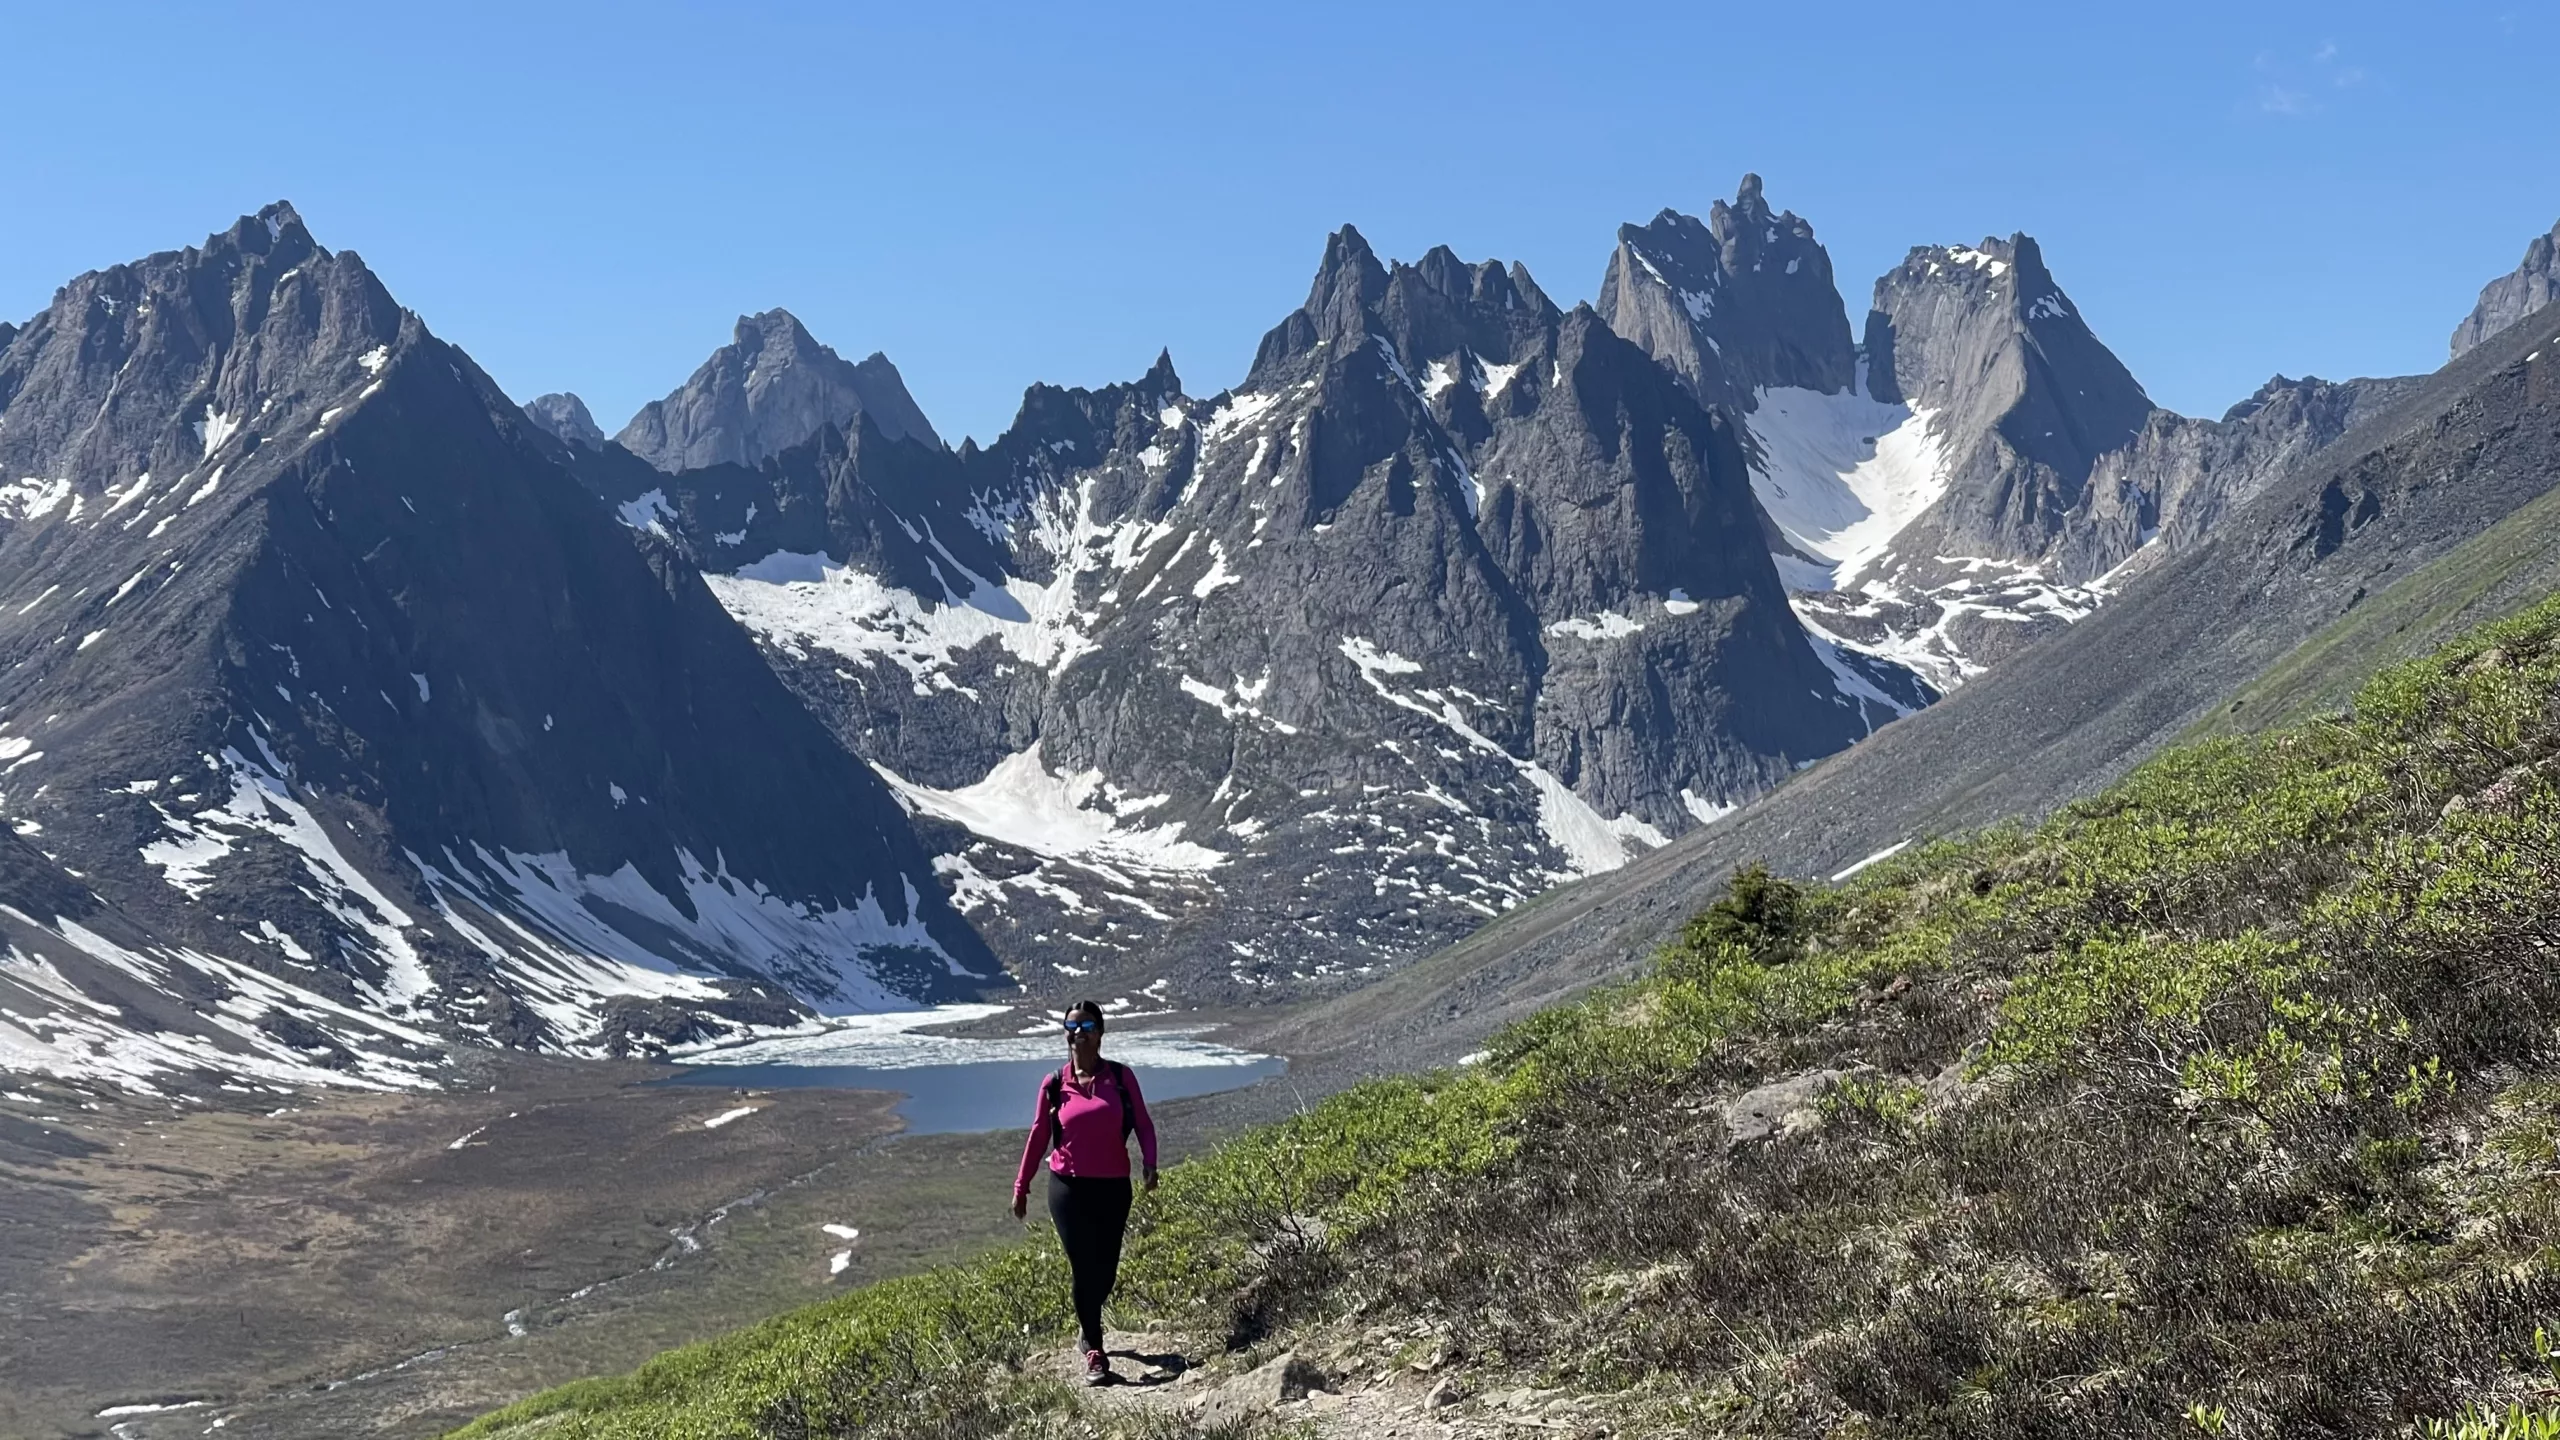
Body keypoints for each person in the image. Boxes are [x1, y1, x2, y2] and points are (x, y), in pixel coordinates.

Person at [1012, 999, 1159, 1386]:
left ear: (1101, 1033)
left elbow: (1142, 1122)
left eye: (1088, 1026)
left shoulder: (1121, 1079)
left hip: (1113, 1186)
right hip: (1067, 1188)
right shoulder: (1055, 1084)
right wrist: (1021, 1186)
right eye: (1072, 1027)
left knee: (1106, 1268)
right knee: (1082, 1265)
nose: (1079, 1034)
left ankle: (1087, 1319)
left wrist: (1150, 1163)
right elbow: (1038, 1135)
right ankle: (1095, 1347)